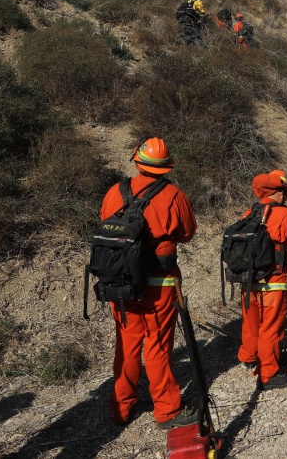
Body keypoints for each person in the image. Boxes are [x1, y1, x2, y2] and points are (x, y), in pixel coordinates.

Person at [99, 137, 199, 429]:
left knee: (127, 346)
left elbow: (105, 223)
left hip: (121, 283)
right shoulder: (174, 195)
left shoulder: (115, 191)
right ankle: (167, 411)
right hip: (159, 285)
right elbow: (186, 233)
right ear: (166, 167)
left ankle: (121, 409)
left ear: (137, 161)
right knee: (156, 347)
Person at [238, 170, 287, 390]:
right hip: (273, 281)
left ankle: (248, 357)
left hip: (248, 280)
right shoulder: (285, 215)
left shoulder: (249, 213)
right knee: (270, 328)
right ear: (279, 191)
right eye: (285, 191)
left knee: (251, 322)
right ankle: (268, 374)